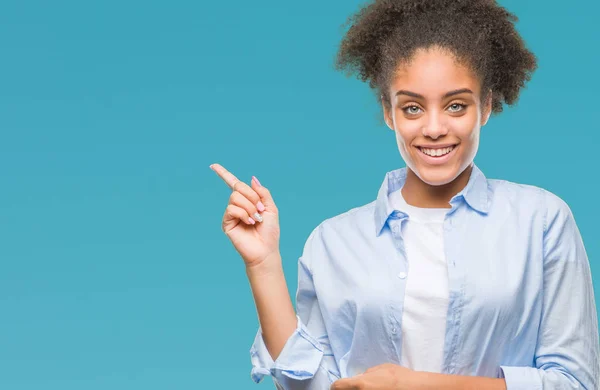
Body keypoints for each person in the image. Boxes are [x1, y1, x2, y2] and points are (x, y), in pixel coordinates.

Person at [210, 0, 599, 389]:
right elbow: (308, 385)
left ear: (487, 106)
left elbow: (575, 383)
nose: (433, 128)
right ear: (388, 112)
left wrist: (413, 384)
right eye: (412, 108)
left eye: (456, 105)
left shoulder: (541, 221)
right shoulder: (333, 242)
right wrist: (263, 265)